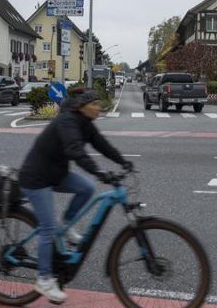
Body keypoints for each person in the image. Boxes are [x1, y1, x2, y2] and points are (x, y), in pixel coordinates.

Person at [18, 88, 133, 304]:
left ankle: (66, 224)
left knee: (87, 188)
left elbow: (102, 145)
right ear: (82, 106)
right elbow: (75, 151)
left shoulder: (85, 123)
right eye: (95, 104)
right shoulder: (67, 121)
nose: (99, 107)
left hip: (56, 174)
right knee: (47, 228)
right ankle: (44, 279)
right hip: (36, 178)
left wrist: (123, 161)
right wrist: (98, 171)